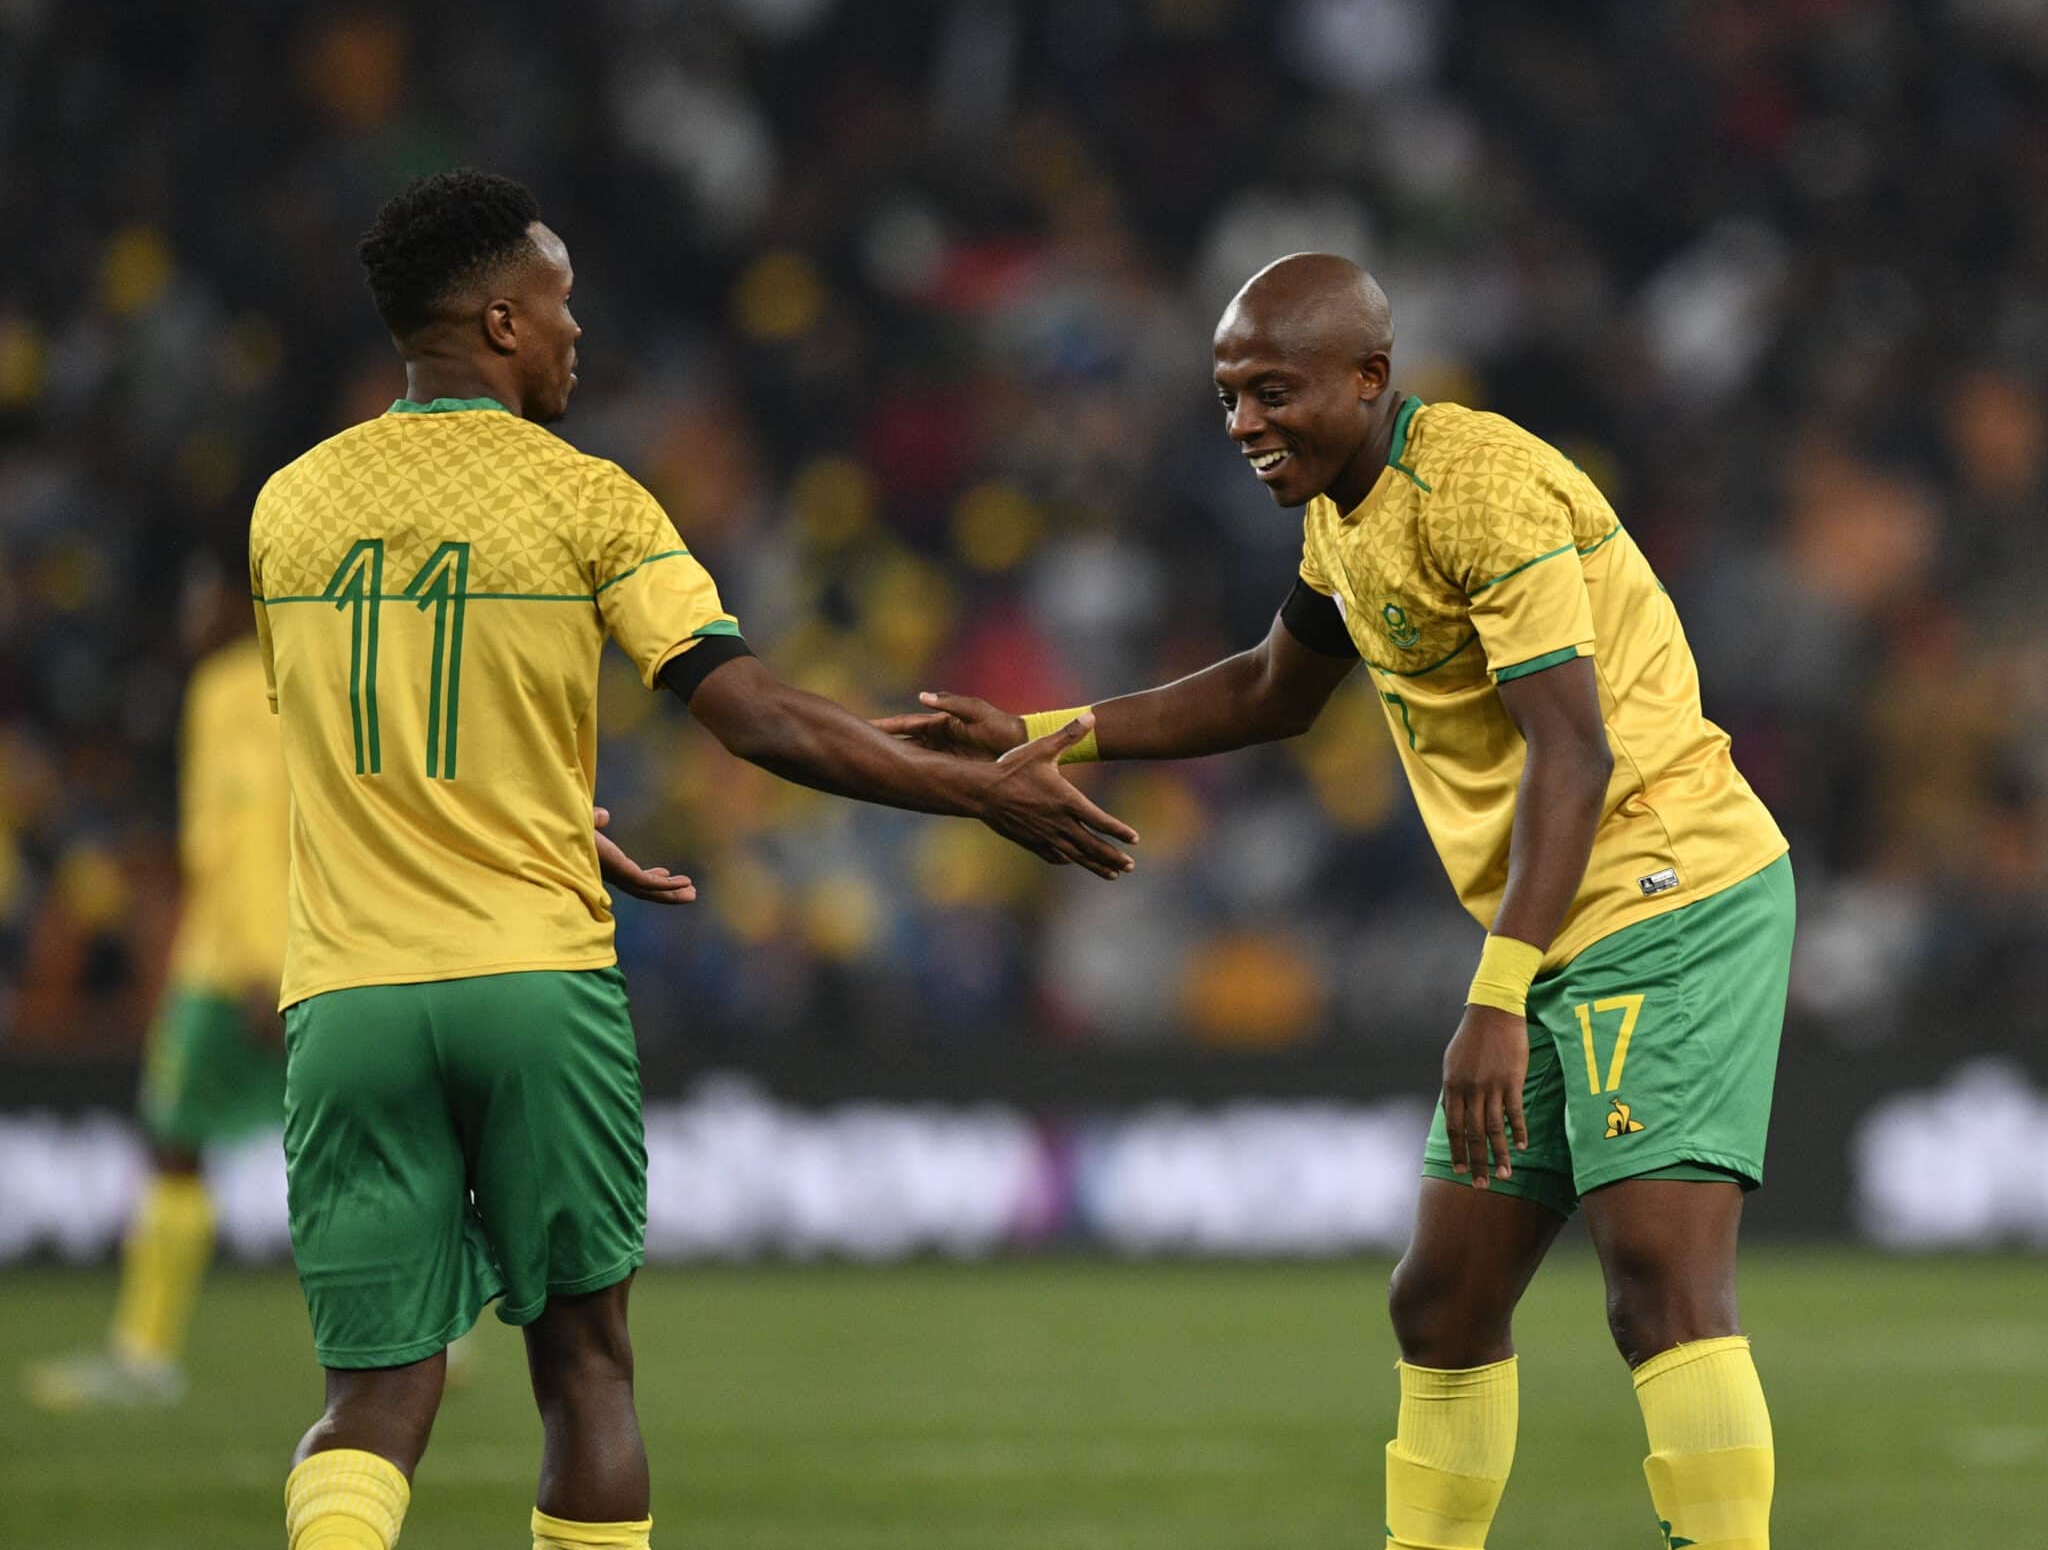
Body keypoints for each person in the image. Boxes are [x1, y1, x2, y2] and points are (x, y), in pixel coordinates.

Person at [252, 168, 1137, 1550]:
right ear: (499, 323)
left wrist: (549, 816)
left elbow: (367, 745)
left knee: (370, 1396)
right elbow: (755, 715)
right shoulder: (586, 498)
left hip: (348, 992)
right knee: (585, 1371)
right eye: (557, 302)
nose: (576, 329)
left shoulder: (287, 507)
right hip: (530, 980)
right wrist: (971, 790)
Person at [880, 252, 1793, 1550]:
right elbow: (1273, 688)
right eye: (1228, 397)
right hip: (1554, 920)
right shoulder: (1344, 509)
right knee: (1442, 1299)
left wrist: (1494, 997)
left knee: (1658, 1278)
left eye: (1273, 391)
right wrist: (1046, 733)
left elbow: (1574, 752)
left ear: (1369, 378)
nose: (1245, 423)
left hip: (1667, 889)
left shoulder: (1482, 491)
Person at [26, 555, 288, 1412]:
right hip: (308, 947)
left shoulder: (234, 686)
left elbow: (248, 827)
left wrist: (258, 961)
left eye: (203, 596)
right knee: (364, 1140)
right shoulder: (305, 672)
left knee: (175, 1143)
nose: (190, 614)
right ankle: (437, 1335)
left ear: (242, 604)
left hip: (233, 963)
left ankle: (143, 1353)